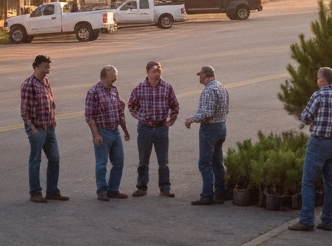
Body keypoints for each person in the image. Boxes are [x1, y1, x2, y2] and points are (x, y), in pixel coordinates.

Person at [290, 66, 332, 231]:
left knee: (308, 182)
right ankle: (327, 221)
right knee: (330, 183)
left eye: (318, 78)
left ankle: (307, 220)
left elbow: (306, 117)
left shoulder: (318, 95)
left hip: (318, 143)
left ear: (321, 80)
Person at [128, 60, 179, 197]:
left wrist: (171, 120)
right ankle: (141, 187)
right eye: (154, 71)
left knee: (163, 161)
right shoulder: (139, 88)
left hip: (161, 127)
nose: (157, 73)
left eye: (159, 71)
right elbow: (131, 106)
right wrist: (141, 117)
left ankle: (165, 188)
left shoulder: (167, 88)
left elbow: (175, 105)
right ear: (148, 72)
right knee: (143, 160)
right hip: (145, 128)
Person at [21, 55, 67, 203]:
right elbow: (24, 109)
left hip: (49, 127)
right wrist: (31, 127)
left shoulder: (46, 82)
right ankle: (35, 193)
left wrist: (53, 118)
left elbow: (51, 102)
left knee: (55, 158)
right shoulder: (29, 84)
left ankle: (52, 191)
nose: (48, 70)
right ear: (36, 66)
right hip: (37, 129)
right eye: (45, 66)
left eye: (49, 66)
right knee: (35, 160)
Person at [184, 65, 229, 205]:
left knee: (204, 163)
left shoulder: (209, 90)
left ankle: (207, 195)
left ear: (205, 75)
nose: (199, 77)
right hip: (221, 126)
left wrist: (192, 119)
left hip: (210, 129)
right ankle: (220, 193)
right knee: (217, 161)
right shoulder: (221, 87)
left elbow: (207, 113)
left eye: (200, 75)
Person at [85, 65, 131, 200]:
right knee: (101, 163)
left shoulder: (114, 90)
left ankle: (113, 189)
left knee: (119, 162)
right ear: (102, 77)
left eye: (115, 79)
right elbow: (89, 116)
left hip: (114, 130)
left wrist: (125, 130)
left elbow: (119, 111)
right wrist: (96, 135)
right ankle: (102, 190)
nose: (113, 82)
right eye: (111, 79)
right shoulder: (93, 92)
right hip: (102, 131)